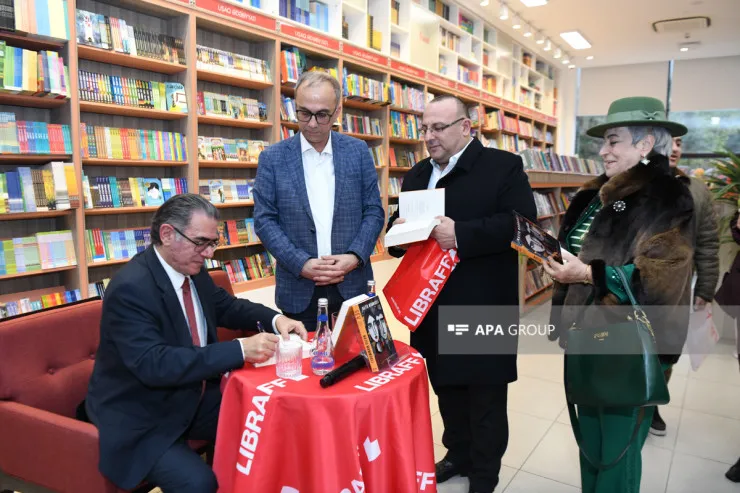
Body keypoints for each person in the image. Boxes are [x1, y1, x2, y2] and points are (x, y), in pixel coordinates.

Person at [85, 194, 307, 493]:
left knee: (271, 423)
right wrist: (240, 349)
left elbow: (228, 307)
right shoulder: (131, 288)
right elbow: (155, 364)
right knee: (199, 484)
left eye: (213, 243)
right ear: (167, 234)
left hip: (191, 395)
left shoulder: (193, 271)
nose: (209, 253)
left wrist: (276, 319)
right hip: (141, 412)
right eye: (201, 242)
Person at [543, 97, 694, 493]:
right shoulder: (596, 193)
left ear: (645, 144)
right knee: (591, 444)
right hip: (586, 334)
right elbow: (578, 248)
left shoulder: (667, 197)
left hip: (629, 342)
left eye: (613, 140)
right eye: (604, 141)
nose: (603, 150)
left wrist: (586, 273)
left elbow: (661, 279)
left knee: (617, 451)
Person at [387, 95, 537, 493]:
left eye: (438, 128)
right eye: (424, 128)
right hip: (430, 304)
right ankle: (458, 454)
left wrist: (462, 234)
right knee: (446, 387)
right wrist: (397, 235)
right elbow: (399, 227)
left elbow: (522, 223)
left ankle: (485, 475)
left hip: (481, 301)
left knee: (485, 396)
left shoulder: (502, 166)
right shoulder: (417, 174)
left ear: (465, 127)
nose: (428, 137)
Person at [254, 70, 384, 331]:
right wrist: (300, 263)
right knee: (304, 356)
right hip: (299, 289)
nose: (312, 124)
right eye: (304, 113)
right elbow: (265, 220)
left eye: (322, 115)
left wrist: (354, 256)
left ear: (337, 112)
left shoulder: (358, 152)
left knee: (357, 355)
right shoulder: (272, 158)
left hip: (353, 283)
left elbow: (373, 211)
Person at [649, 135, 720, 436]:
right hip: (629, 288)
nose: (675, 148)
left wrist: (705, 287)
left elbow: (708, 242)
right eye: (669, 142)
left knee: (666, 351)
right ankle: (626, 406)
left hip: (675, 291)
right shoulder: (631, 186)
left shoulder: (697, 190)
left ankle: (652, 404)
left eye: (679, 142)